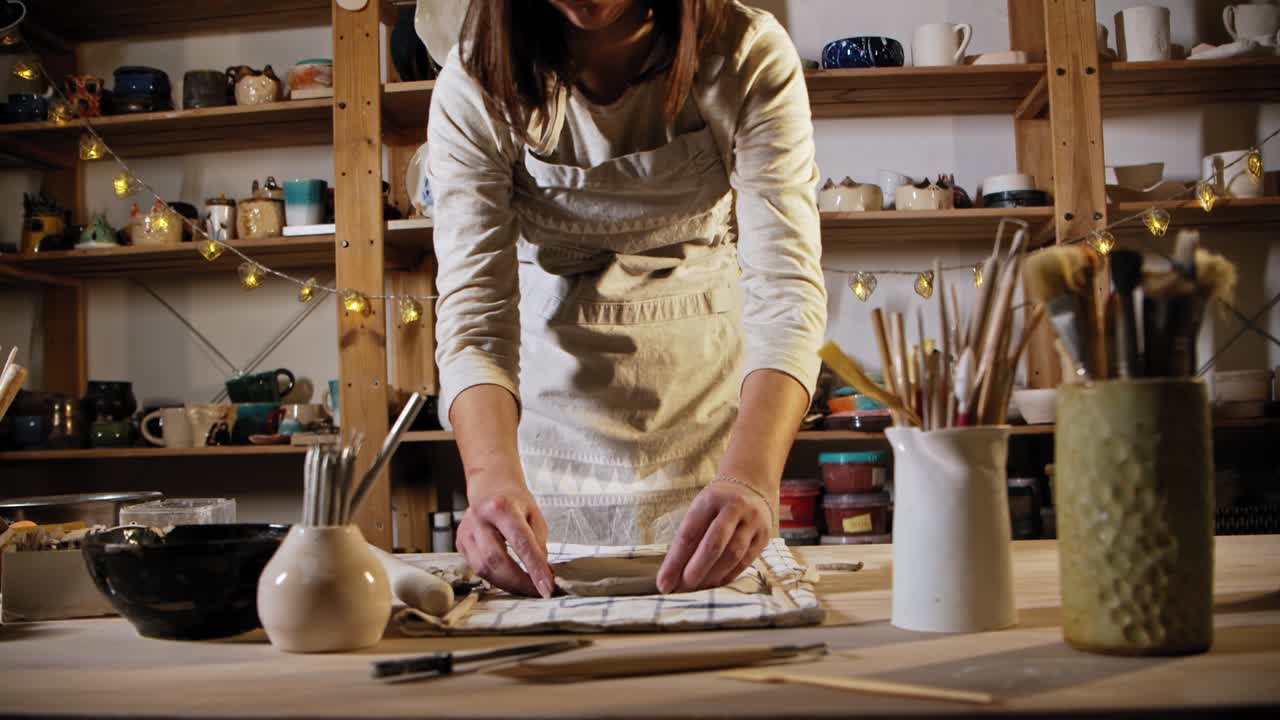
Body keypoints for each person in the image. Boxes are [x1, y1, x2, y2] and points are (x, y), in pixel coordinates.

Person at [427, 0, 826, 599]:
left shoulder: (746, 54)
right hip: (546, 443)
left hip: (709, 434)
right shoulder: (476, 81)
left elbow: (786, 291)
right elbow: (474, 316)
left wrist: (751, 478)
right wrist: (489, 481)